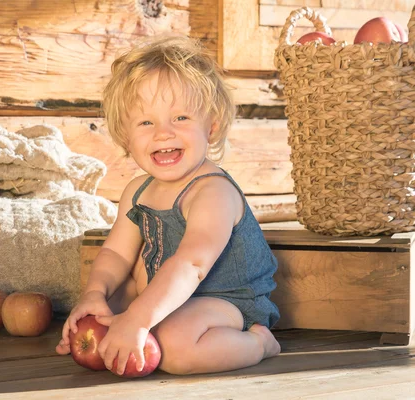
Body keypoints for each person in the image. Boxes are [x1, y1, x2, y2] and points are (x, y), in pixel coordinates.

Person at [56, 35, 281, 375]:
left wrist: (137, 317)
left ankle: (258, 344)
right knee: (104, 310)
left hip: (228, 301)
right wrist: (94, 295)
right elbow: (116, 253)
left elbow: (191, 265)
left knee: (175, 349)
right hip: (168, 297)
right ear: (125, 135)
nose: (163, 133)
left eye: (180, 118)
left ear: (212, 126)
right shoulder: (137, 190)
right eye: (146, 122)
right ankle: (115, 332)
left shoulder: (212, 192)